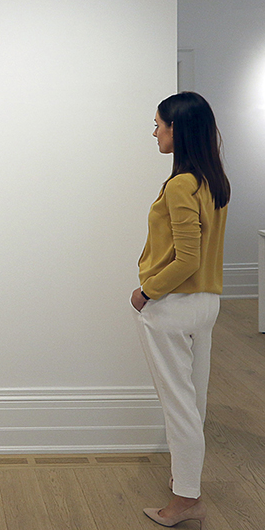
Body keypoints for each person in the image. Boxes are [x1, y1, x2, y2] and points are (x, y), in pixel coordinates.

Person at [131, 91, 230, 528]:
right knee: (195, 401)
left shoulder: (180, 184)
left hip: (173, 306)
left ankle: (185, 500)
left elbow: (186, 258)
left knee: (179, 406)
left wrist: (147, 291)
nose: (154, 131)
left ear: (178, 129)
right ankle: (187, 487)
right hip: (206, 304)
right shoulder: (213, 181)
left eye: (158, 124)